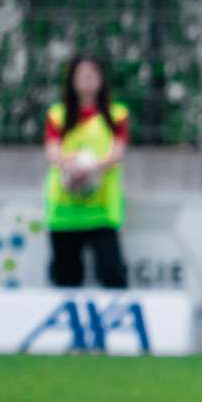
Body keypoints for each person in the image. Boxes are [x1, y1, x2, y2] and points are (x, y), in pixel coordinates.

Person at [43, 54, 130, 288]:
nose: (87, 80)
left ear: (102, 79)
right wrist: (71, 167)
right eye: (81, 75)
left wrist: (91, 169)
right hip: (65, 209)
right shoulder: (57, 114)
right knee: (66, 278)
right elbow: (52, 152)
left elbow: (118, 152)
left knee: (113, 273)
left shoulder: (117, 114)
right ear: (72, 80)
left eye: (92, 74)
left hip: (101, 209)